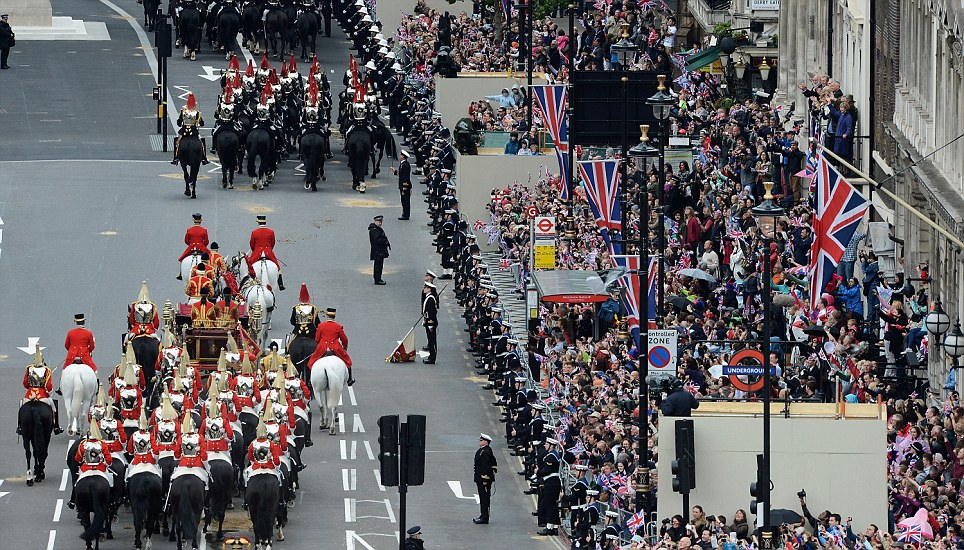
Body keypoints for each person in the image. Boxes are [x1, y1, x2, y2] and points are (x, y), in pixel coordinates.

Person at [307, 307, 354, 385]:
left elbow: (317, 339)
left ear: (327, 316)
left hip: (323, 348)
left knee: (311, 362)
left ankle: (309, 380)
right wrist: (345, 347)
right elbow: (345, 339)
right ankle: (349, 379)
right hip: (335, 348)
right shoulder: (338, 326)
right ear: (334, 316)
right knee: (347, 361)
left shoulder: (321, 326)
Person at [247, 214, 285, 291]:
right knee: (277, 267)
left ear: (258, 223)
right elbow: (272, 243)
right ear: (265, 222)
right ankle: (281, 285)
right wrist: (268, 250)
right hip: (268, 253)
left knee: (249, 268)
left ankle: (247, 283)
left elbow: (252, 245)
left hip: (257, 253)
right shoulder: (271, 232)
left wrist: (256, 250)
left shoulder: (254, 232)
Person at [171, 92, 210, 165]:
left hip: (184, 132)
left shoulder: (183, 112)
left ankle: (175, 158)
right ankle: (204, 158)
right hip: (194, 132)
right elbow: (202, 123)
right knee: (201, 143)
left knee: (177, 142)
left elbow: (179, 123)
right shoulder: (197, 113)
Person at [473, 433, 497, 524]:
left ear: (486, 442)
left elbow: (486, 466)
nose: (480, 442)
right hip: (481, 478)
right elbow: (494, 462)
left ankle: (485, 517)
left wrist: (485, 478)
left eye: (481, 440)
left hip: (484, 480)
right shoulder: (484, 450)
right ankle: (483, 515)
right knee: (482, 497)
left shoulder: (486, 452)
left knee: (485, 498)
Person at [369, 215, 391, 285]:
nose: (380, 223)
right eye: (378, 222)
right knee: (378, 266)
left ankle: (378, 278)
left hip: (380, 251)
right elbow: (377, 240)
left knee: (380, 265)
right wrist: (384, 241)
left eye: (381, 222)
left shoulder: (378, 229)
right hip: (377, 251)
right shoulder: (374, 230)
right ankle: (377, 279)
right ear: (375, 221)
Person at [422, 282, 439, 364]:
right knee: (430, 340)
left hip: (430, 323)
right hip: (427, 322)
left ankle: (432, 358)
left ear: (429, 289)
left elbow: (432, 313)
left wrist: (430, 323)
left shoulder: (430, 299)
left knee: (432, 341)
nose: (424, 289)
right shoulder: (428, 297)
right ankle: (431, 356)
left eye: (425, 288)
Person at [393, 150, 412, 220]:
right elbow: (401, 174)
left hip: (405, 186)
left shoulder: (405, 165)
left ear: (403, 157)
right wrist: (394, 171)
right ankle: (404, 213)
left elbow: (405, 177)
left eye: (401, 155)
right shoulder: (403, 164)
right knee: (403, 200)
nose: (399, 156)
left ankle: (406, 215)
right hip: (402, 185)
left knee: (405, 200)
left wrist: (404, 186)